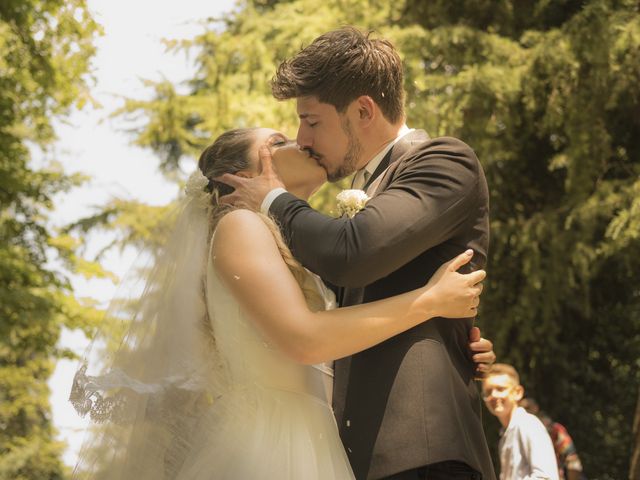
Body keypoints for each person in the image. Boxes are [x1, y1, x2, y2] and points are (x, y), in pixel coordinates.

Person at [69, 127, 493, 480]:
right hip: (269, 442)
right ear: (240, 179)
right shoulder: (239, 226)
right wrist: (429, 302)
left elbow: (340, 340)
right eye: (275, 142)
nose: (299, 142)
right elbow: (304, 341)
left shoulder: (288, 245)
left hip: (314, 433)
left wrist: (450, 346)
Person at [218, 27, 495, 479]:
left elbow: (353, 254)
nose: (302, 138)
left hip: (421, 450)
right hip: (352, 455)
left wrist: (272, 198)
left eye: (311, 120)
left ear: (363, 110)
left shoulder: (443, 161)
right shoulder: (359, 190)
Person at [482, 364, 559, 480]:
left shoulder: (528, 425)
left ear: (517, 392)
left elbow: (546, 477)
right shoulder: (505, 436)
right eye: (488, 392)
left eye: (500, 389)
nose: (493, 395)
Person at [520, 398, 585, 480]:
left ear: (535, 408)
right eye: (521, 410)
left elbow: (572, 461)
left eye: (527, 408)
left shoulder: (554, 430)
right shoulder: (516, 435)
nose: (525, 413)